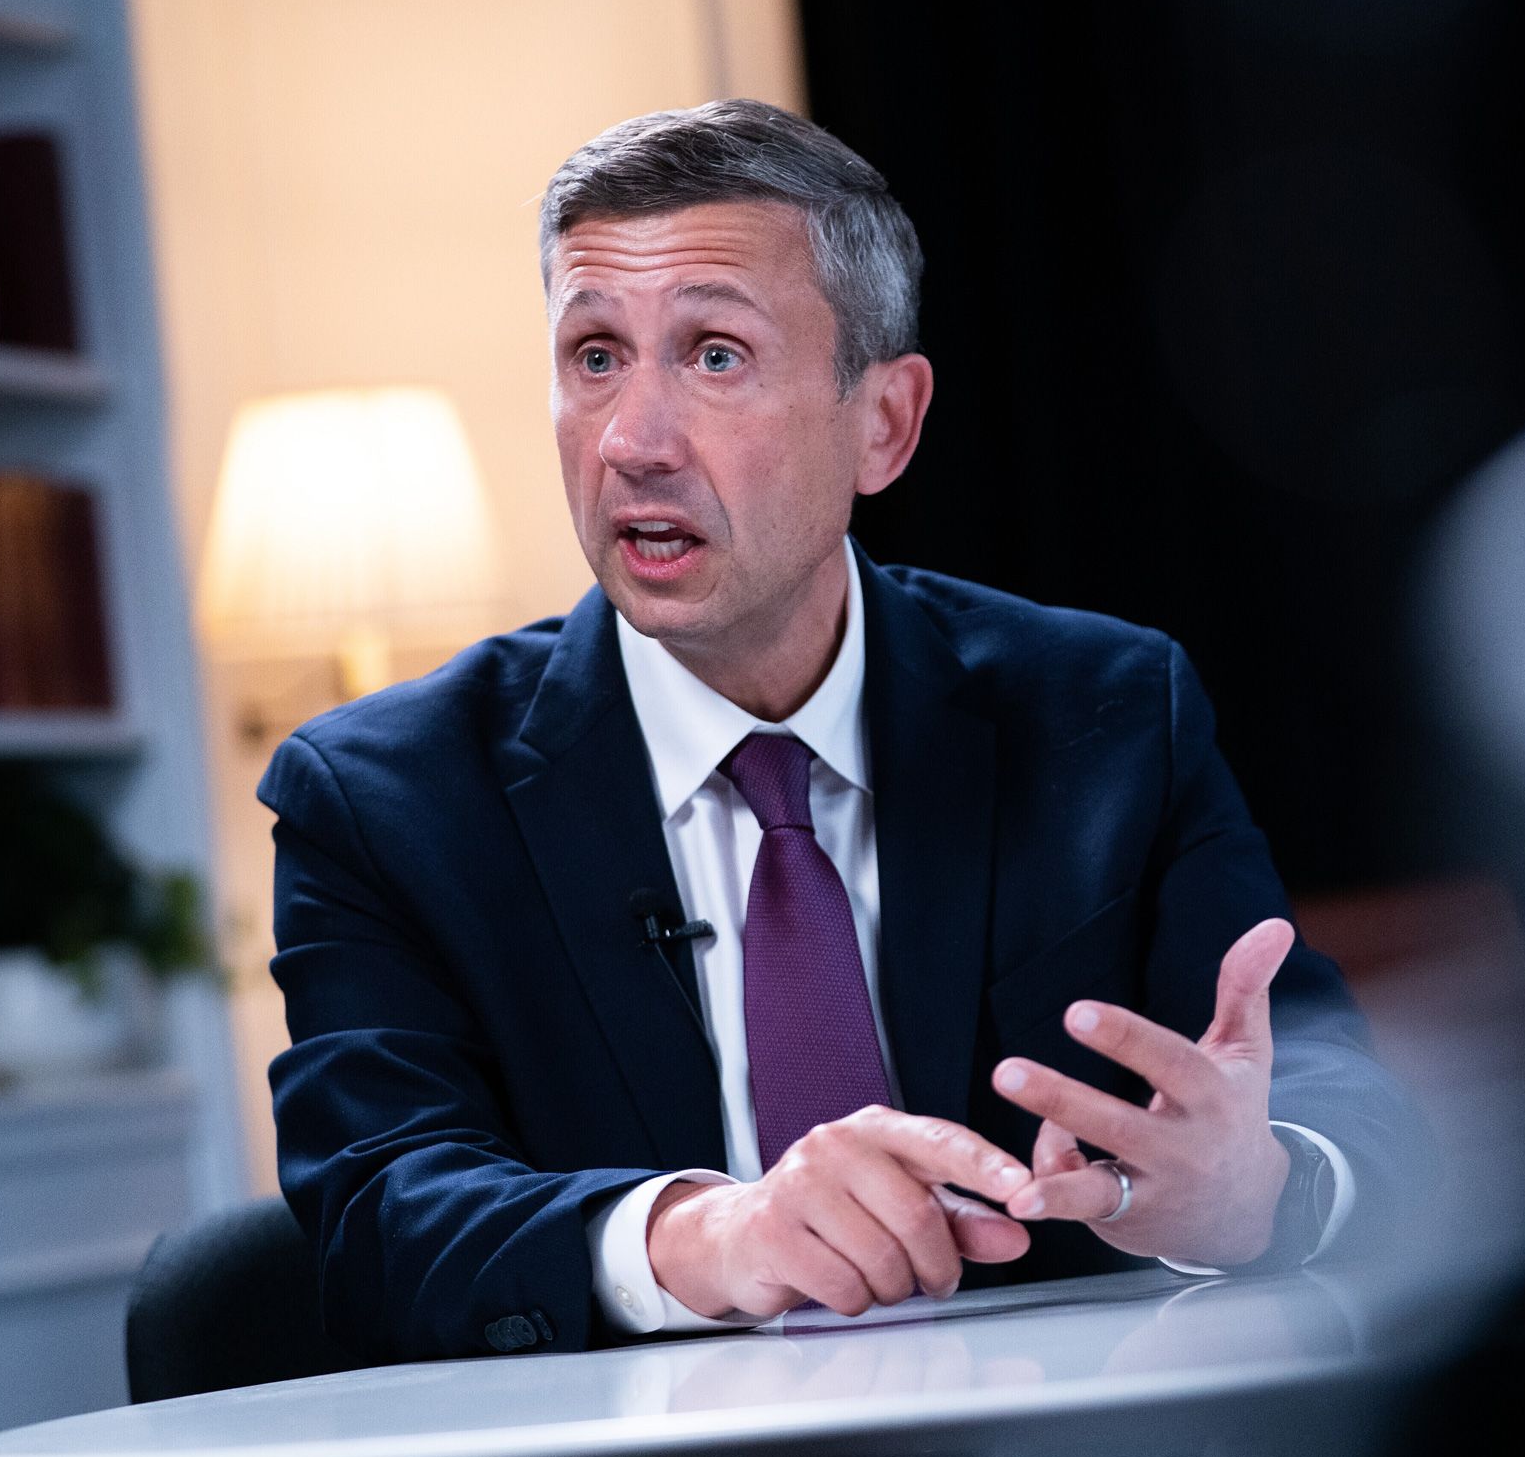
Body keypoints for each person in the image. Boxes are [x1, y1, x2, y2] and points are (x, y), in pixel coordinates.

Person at [261, 99, 1426, 1362]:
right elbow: (378, 1219)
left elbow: (1330, 1099)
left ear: (885, 423)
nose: (633, 443)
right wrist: (706, 1237)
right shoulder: (382, 801)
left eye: (715, 355)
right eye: (595, 356)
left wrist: (1266, 1187)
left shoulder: (1103, 711)